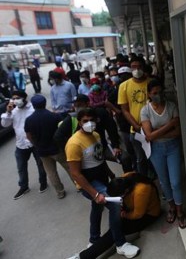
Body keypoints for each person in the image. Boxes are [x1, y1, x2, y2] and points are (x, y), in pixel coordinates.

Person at [65, 108, 140, 258]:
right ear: (79, 122)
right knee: (114, 205)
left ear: (97, 120)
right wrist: (95, 193)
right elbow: (75, 173)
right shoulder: (74, 144)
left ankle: (94, 239)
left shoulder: (96, 135)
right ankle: (120, 244)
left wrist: (110, 174)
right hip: (89, 183)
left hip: (101, 178)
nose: (89, 123)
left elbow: (99, 158)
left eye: (91, 120)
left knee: (97, 207)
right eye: (85, 121)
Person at [66, 172, 161, 259]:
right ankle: (83, 256)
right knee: (114, 229)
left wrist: (124, 215)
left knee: (114, 232)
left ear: (126, 191)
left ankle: (82, 257)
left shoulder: (141, 190)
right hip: (129, 210)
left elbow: (138, 214)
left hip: (147, 215)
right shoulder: (124, 179)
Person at [140, 79, 186, 229]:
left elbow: (178, 131)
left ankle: (180, 211)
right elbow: (149, 136)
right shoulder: (145, 110)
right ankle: (171, 208)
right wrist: (169, 125)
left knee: (176, 181)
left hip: (173, 147)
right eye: (154, 93)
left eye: (160, 92)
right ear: (149, 94)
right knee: (164, 181)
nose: (158, 95)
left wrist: (157, 133)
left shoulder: (171, 106)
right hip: (156, 150)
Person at [0, 90, 47, 200]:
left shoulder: (33, 109)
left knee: (40, 164)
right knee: (21, 167)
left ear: (24, 98)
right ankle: (24, 186)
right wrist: (8, 112)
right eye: (13, 98)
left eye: (17, 98)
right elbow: (4, 124)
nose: (15, 100)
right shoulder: (13, 111)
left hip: (34, 142)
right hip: (20, 144)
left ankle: (43, 182)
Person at [24, 95, 72, 199]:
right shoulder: (54, 116)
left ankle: (60, 192)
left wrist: (36, 144)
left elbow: (28, 136)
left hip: (42, 151)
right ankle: (79, 185)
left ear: (33, 105)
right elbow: (62, 130)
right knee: (69, 167)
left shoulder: (29, 120)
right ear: (45, 103)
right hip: (57, 148)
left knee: (51, 173)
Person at [118, 57, 155, 178]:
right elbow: (125, 109)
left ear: (143, 67)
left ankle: (158, 179)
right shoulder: (124, 86)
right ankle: (143, 181)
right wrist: (136, 126)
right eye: (133, 67)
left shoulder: (151, 83)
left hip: (154, 128)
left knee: (155, 157)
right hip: (136, 130)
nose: (137, 69)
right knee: (141, 158)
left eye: (139, 66)